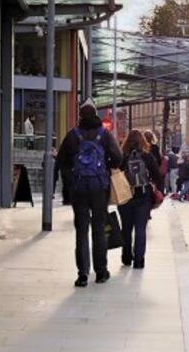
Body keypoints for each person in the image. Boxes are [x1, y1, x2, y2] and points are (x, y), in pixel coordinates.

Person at [55, 98, 122, 287]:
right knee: (99, 229)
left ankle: (83, 274)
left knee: (81, 231)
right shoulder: (104, 134)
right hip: (99, 188)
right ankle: (101, 272)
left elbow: (61, 162)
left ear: (80, 116)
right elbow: (118, 158)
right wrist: (106, 166)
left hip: (79, 189)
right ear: (95, 114)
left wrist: (71, 182)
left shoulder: (72, 135)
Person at [118, 130, 162, 269]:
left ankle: (126, 257)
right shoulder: (147, 156)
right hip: (143, 197)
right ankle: (139, 260)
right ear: (142, 141)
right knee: (140, 229)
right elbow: (157, 175)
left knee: (126, 229)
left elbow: (115, 174)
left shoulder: (122, 157)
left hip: (125, 197)